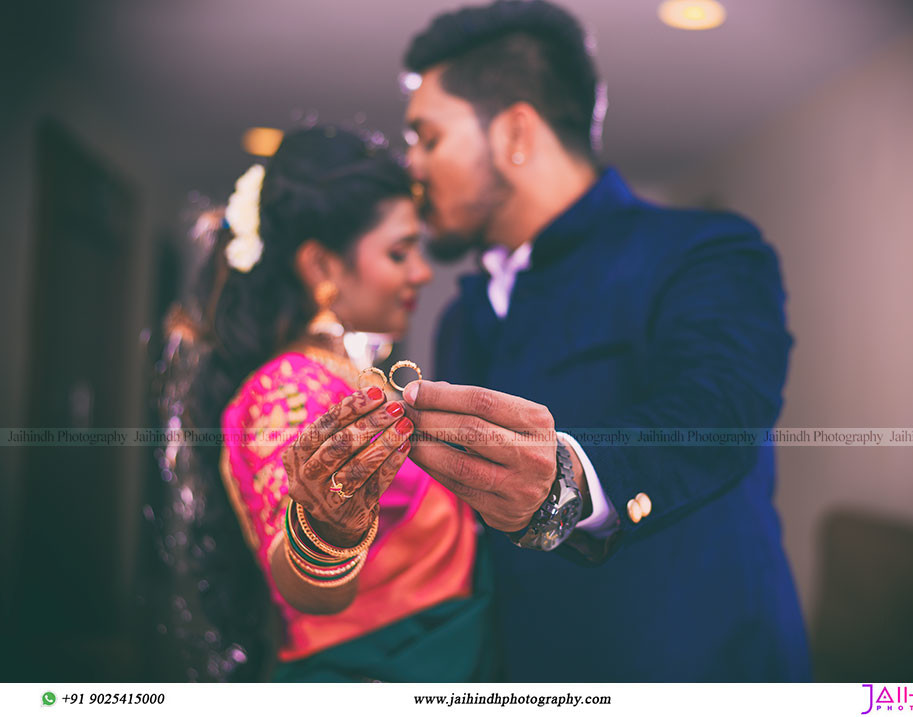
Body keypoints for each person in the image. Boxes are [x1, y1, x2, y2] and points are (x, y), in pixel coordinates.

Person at [398, 0, 811, 680]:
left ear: (516, 134)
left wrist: (566, 481)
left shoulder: (705, 251)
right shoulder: (456, 319)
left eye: (428, 137)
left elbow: (719, 410)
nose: (412, 164)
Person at [154, 126, 495, 682]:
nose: (422, 272)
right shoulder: (286, 389)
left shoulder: (342, 376)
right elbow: (300, 575)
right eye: (399, 252)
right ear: (322, 268)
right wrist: (327, 531)